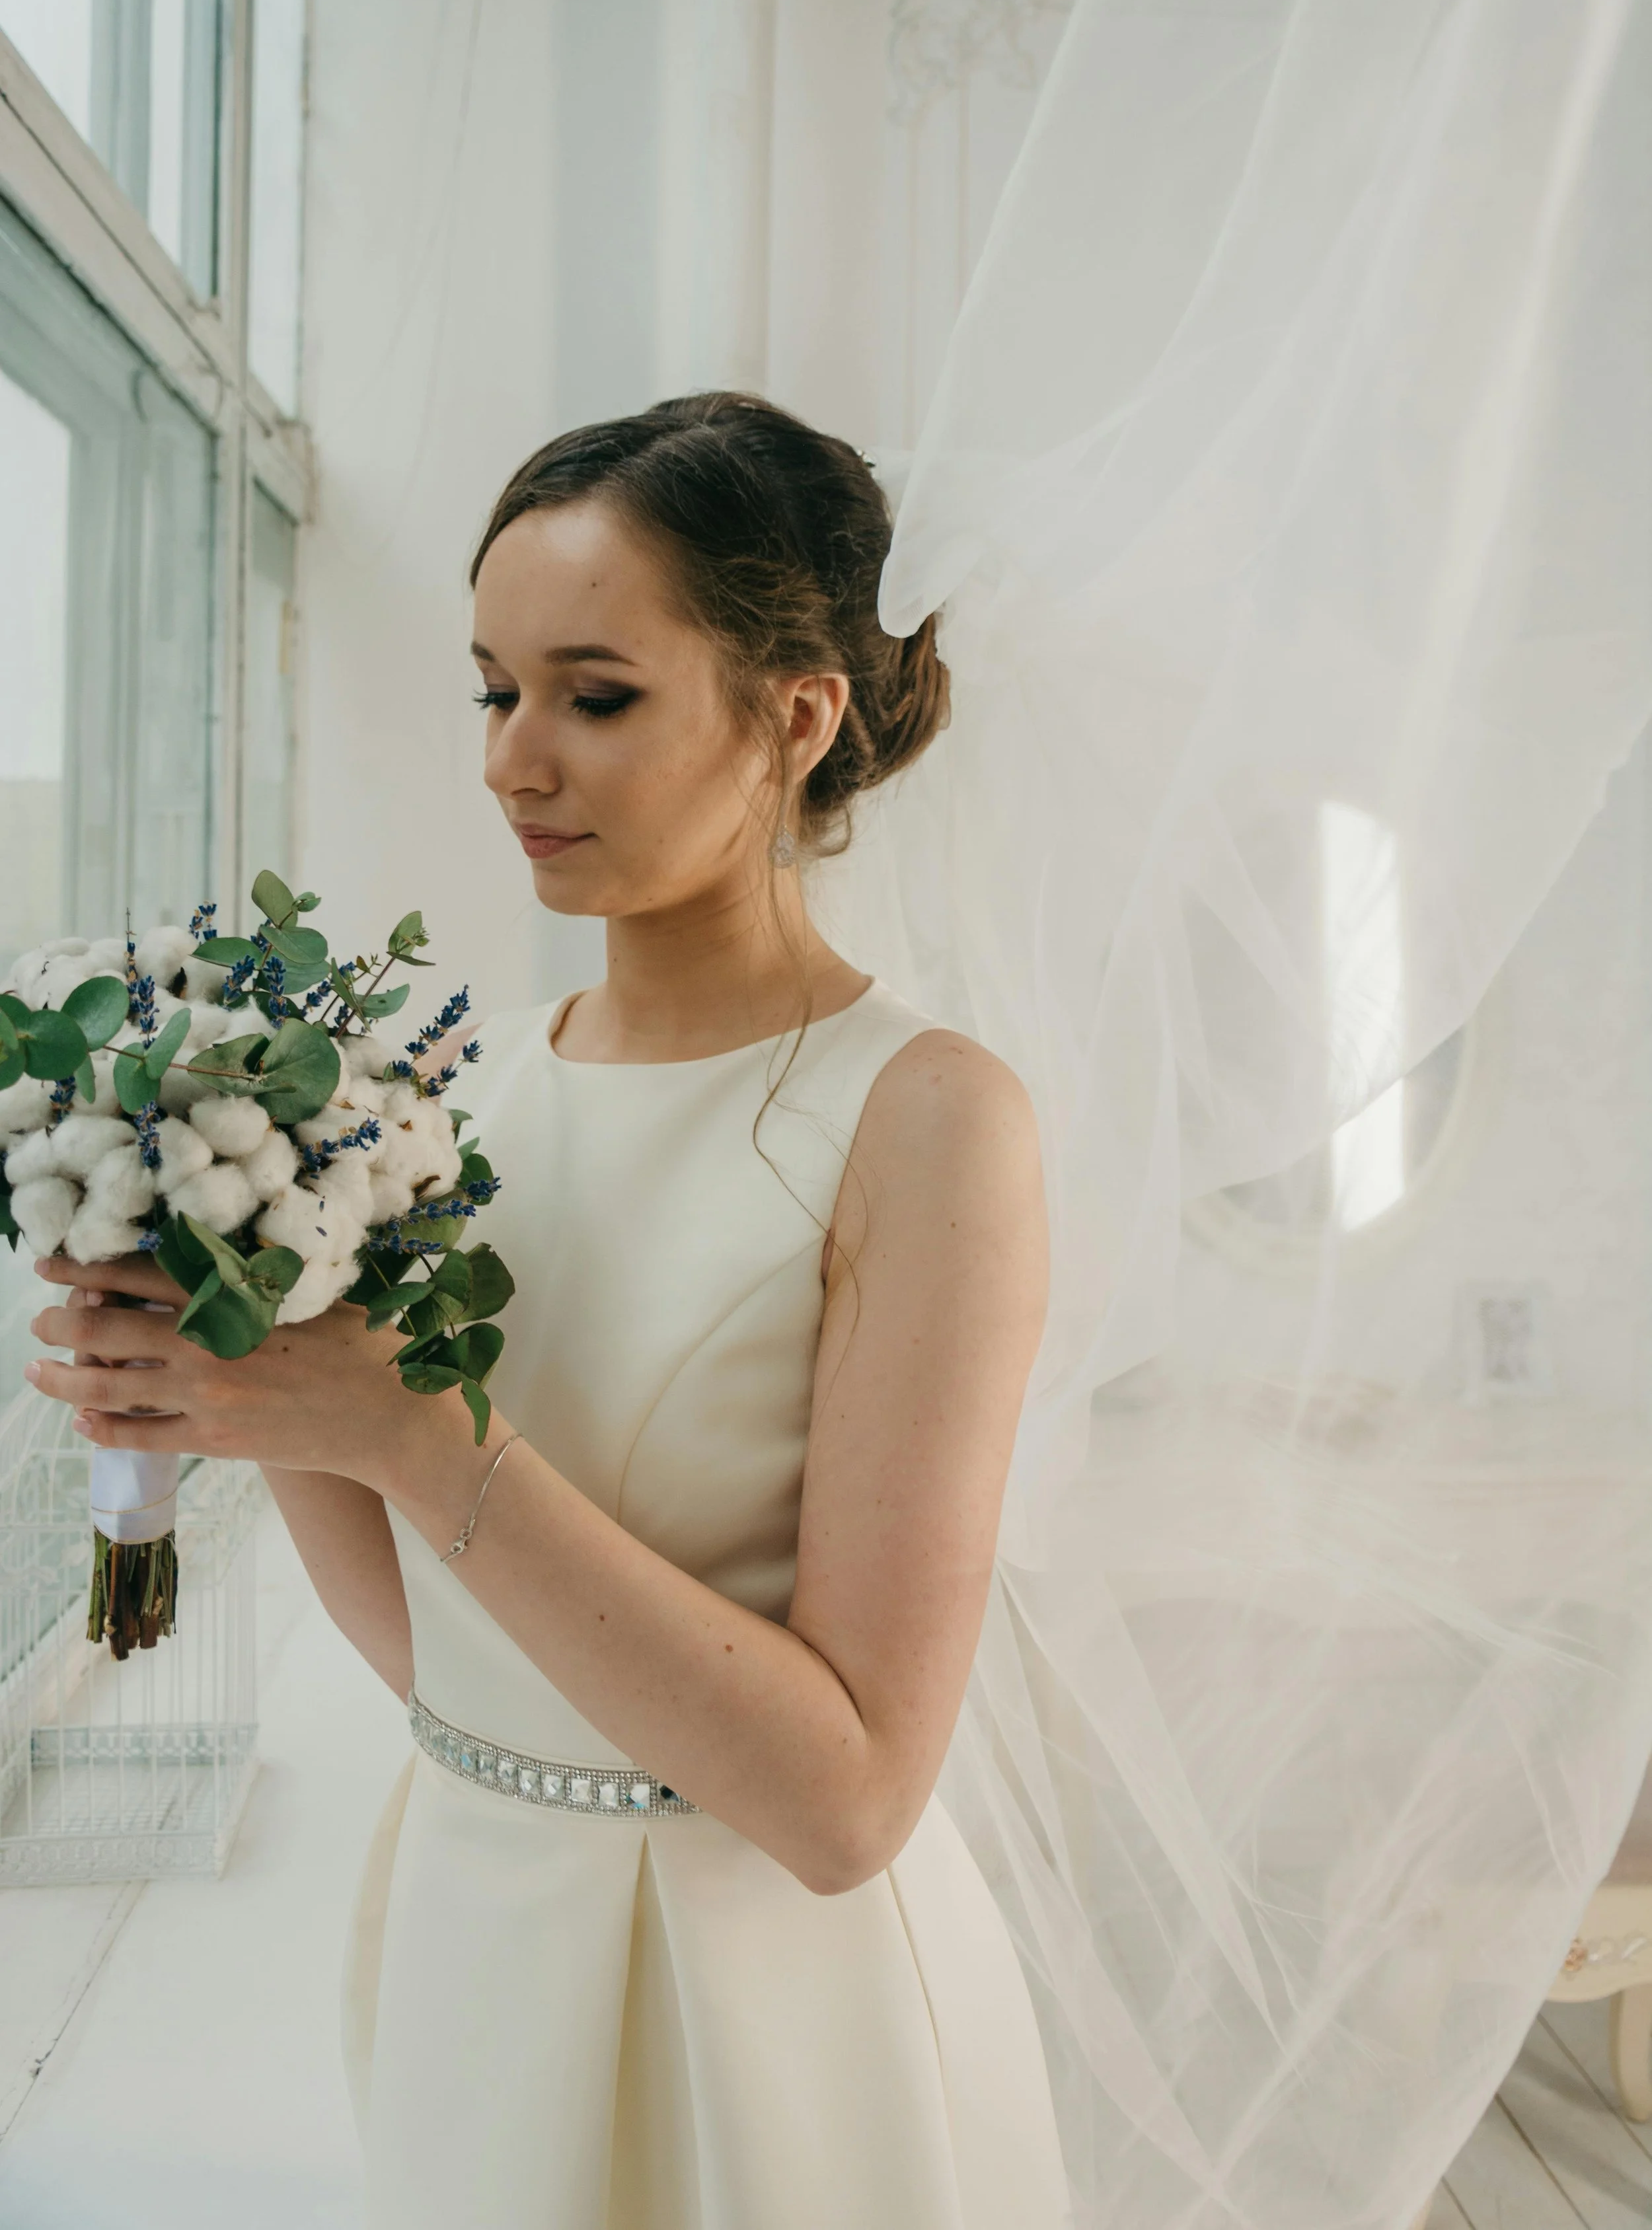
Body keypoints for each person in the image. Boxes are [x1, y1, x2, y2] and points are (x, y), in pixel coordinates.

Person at [27, 392, 1071, 2229]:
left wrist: (404, 1430)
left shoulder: (925, 1121)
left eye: (593, 695)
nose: (515, 759)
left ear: (794, 715)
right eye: (492, 689)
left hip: (769, 2021)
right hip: (471, 1950)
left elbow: (844, 1807)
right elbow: (457, 1663)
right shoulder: (456, 1099)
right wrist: (240, 1376)